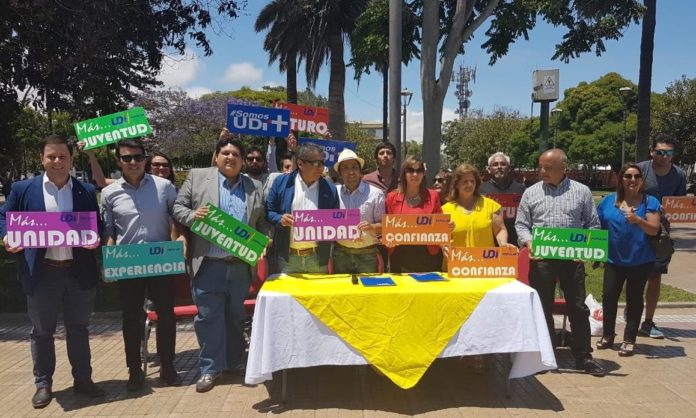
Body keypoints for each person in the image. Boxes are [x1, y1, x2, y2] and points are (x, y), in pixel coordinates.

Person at [0, 135, 105, 408]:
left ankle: (83, 379)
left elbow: (97, 223)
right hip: (42, 273)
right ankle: (43, 383)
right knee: (42, 332)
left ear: (71, 159)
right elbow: (4, 216)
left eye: (63, 156)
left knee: (79, 329)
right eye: (51, 156)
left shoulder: (84, 189)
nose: (57, 161)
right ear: (42, 159)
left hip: (77, 271)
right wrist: (7, 237)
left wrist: (95, 237)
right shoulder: (23, 189)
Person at [172, 137, 271, 393]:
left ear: (242, 161)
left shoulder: (255, 186)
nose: (230, 158)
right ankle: (210, 369)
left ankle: (235, 362)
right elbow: (177, 207)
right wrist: (194, 216)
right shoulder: (197, 176)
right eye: (225, 153)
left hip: (239, 265)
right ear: (216, 157)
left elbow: (261, 224)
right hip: (208, 264)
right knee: (208, 318)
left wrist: (264, 242)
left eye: (236, 155)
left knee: (236, 317)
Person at [515, 148, 605, 376]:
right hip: (542, 260)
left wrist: (585, 250)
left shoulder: (582, 192)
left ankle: (584, 356)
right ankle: (545, 355)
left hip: (572, 261)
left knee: (578, 307)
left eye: (547, 167)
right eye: (541, 166)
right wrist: (528, 243)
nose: (542, 171)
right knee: (541, 307)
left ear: (563, 168)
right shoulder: (531, 192)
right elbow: (521, 224)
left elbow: (592, 225)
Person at [101, 139, 181, 391]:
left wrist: (178, 242)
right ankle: (134, 370)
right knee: (131, 319)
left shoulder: (164, 187)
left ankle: (167, 366)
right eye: (127, 158)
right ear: (118, 161)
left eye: (138, 157)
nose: (133, 162)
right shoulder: (109, 193)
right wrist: (109, 260)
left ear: (145, 159)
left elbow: (176, 219)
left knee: (167, 317)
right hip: (129, 264)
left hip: (161, 261)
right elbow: (110, 232)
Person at [596, 164, 660, 357]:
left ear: (642, 180)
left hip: (640, 260)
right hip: (614, 259)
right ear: (621, 179)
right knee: (609, 297)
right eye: (628, 176)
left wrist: (638, 220)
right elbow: (596, 227)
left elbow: (654, 229)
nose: (632, 180)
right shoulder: (608, 201)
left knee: (634, 299)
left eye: (636, 176)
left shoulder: (650, 201)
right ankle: (608, 335)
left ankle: (629, 340)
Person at [636, 134, 687, 339]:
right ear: (652, 152)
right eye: (660, 152)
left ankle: (648, 322)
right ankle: (632, 315)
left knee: (655, 275)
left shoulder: (679, 175)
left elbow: (679, 203)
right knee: (634, 275)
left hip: (661, 233)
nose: (664, 156)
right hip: (636, 228)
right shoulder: (640, 170)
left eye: (668, 153)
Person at [266, 142, 338, 274]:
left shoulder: (330, 189)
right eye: (316, 163)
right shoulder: (281, 183)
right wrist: (279, 218)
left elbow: (336, 221)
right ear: (300, 164)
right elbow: (269, 212)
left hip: (317, 259)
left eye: (323, 162)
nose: (321, 167)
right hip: (289, 259)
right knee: (288, 295)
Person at [385, 156, 443, 273]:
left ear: (424, 174)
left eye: (419, 170)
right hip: (399, 257)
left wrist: (447, 226)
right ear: (404, 174)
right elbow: (385, 229)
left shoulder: (433, 196)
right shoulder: (392, 197)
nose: (415, 174)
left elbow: (441, 226)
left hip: (428, 256)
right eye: (410, 170)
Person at [332, 149, 385, 274]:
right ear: (340, 173)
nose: (350, 172)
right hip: (340, 254)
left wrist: (371, 227)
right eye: (345, 168)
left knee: (368, 292)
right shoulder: (334, 192)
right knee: (341, 292)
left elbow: (384, 226)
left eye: (354, 167)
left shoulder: (376, 193)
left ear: (360, 170)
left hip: (368, 255)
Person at [442, 164, 513, 249]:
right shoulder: (445, 210)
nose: (469, 185)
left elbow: (500, 230)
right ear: (456, 184)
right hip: (456, 260)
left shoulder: (490, 205)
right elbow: (440, 237)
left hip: (485, 261)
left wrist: (503, 243)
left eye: (472, 181)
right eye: (465, 181)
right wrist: (444, 244)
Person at [480, 152, 526, 247]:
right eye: (495, 164)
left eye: (503, 164)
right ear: (489, 169)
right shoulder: (480, 190)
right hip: (488, 244)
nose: (499, 167)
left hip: (515, 243)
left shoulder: (521, 189)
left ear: (509, 169)